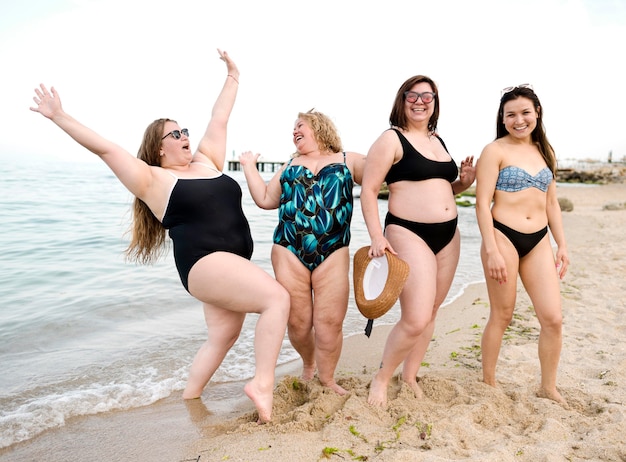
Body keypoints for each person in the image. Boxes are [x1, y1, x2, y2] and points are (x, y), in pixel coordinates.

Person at [30, 49, 290, 423]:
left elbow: (220, 116)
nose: (185, 136)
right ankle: (261, 384)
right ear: (159, 148)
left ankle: (190, 401)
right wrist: (59, 116)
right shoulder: (153, 180)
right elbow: (105, 147)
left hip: (229, 264)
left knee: (223, 335)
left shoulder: (206, 161)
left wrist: (233, 75)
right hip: (203, 263)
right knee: (276, 299)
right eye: (176, 133)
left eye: (184, 130)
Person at [360, 76, 475, 406]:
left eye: (428, 96)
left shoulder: (438, 139)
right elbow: (368, 190)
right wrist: (376, 236)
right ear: (403, 100)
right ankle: (381, 379)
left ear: (435, 102)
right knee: (416, 317)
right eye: (414, 95)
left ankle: (409, 375)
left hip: (449, 234)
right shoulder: (390, 139)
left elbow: (440, 188)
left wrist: (464, 183)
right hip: (407, 231)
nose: (421, 101)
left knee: (433, 310)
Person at [239, 109, 364, 395]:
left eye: (300, 126)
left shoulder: (348, 159)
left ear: (318, 127)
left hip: (333, 250)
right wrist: (248, 166)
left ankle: (328, 378)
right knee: (298, 322)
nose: (295, 131)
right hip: (289, 249)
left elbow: (381, 175)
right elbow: (265, 200)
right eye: (293, 128)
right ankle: (309, 363)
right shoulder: (289, 164)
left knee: (329, 322)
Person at [474, 84, 569, 405]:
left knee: (553, 318)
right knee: (503, 314)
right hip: (503, 236)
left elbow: (552, 204)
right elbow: (481, 203)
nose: (519, 120)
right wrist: (491, 249)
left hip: (539, 240)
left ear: (537, 113)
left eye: (525, 112)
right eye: (511, 114)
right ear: (502, 119)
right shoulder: (494, 151)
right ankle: (488, 381)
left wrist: (562, 245)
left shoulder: (545, 151)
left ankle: (548, 387)